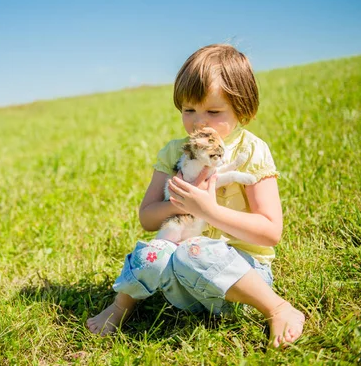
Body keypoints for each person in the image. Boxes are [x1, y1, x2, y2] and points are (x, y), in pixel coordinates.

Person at [86, 44, 305, 348]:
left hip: (242, 278)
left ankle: (276, 307)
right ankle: (121, 306)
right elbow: (147, 218)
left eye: (213, 111)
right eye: (188, 110)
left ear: (243, 109)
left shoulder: (252, 150)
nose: (198, 122)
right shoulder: (175, 152)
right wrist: (176, 204)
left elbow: (270, 232)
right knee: (157, 250)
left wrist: (208, 209)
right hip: (184, 283)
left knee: (194, 251)